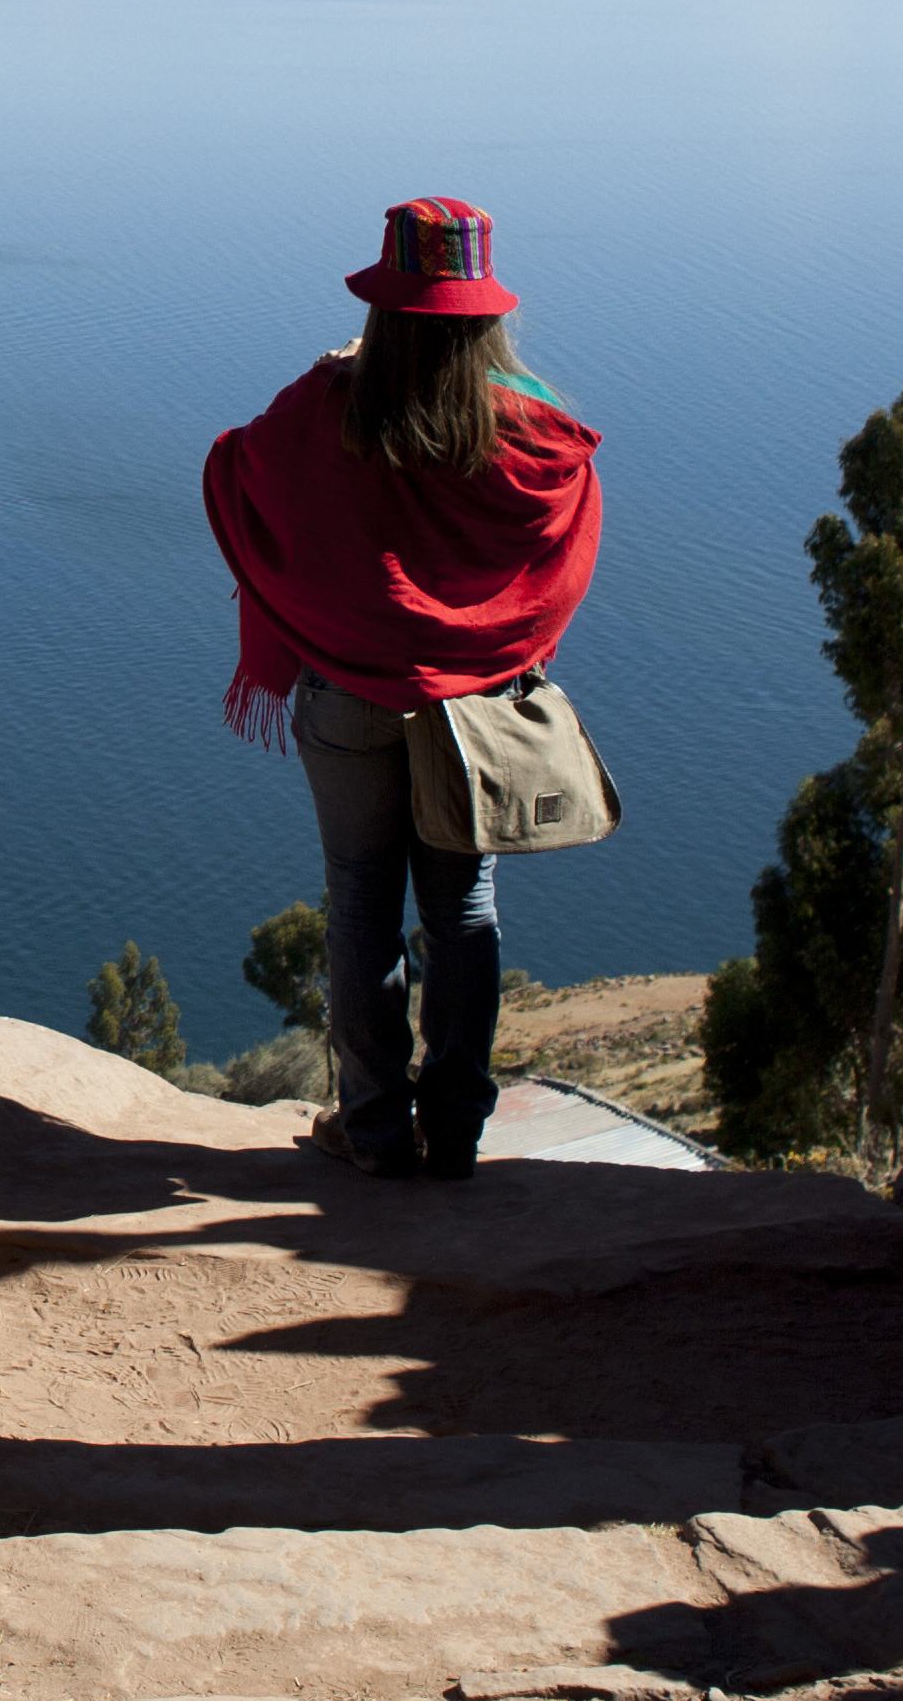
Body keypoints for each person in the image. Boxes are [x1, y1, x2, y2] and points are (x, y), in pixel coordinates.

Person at [200, 197, 607, 1180]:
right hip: (474, 713)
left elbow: (235, 470)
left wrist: (329, 373)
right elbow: (569, 505)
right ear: (485, 316)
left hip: (347, 699)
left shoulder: (327, 406)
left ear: (383, 305)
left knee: (359, 905)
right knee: (462, 909)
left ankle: (375, 1129)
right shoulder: (527, 426)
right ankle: (457, 1131)